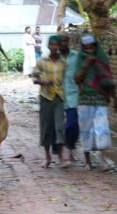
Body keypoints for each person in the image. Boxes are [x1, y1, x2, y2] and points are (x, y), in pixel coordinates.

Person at [74, 34, 117, 171]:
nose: (89, 49)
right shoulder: (80, 59)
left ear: (95, 46)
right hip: (84, 99)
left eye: (92, 46)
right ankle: (87, 161)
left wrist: (115, 100)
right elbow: (77, 79)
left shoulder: (102, 58)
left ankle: (103, 159)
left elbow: (109, 80)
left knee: (102, 129)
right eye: (86, 47)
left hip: (100, 98)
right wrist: (87, 65)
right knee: (86, 129)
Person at [31, 35, 69, 169]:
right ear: (48, 46)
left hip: (59, 97)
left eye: (56, 45)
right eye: (51, 45)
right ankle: (47, 157)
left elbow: (66, 80)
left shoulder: (63, 62)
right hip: (45, 96)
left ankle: (61, 157)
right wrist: (43, 81)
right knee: (46, 127)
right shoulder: (42, 61)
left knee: (59, 127)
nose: (54, 47)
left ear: (59, 46)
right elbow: (34, 78)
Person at [51, 31, 79, 161]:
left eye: (64, 40)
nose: (62, 43)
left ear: (68, 41)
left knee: (72, 123)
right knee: (57, 125)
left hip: (73, 94)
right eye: (59, 41)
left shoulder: (76, 56)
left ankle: (70, 146)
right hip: (57, 95)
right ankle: (60, 151)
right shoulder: (53, 58)